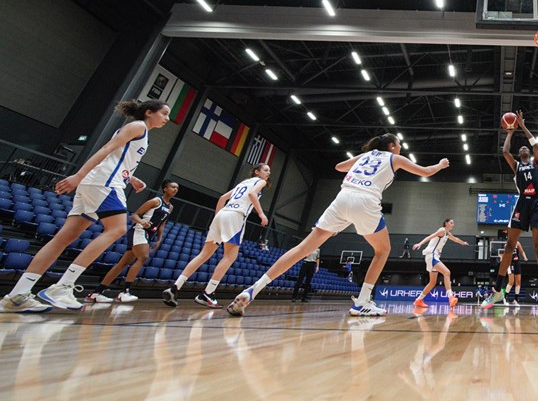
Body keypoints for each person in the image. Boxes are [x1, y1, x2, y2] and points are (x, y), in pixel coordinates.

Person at [226, 133, 449, 317]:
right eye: (399, 144)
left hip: (342, 198)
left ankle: (252, 290)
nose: (400, 148)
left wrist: (360, 162)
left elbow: (339, 166)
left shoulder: (366, 155)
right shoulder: (394, 158)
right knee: (383, 250)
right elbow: (426, 171)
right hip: (366, 200)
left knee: (302, 248)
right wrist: (440, 164)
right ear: (392, 146)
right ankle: (362, 302)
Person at [1, 99, 170, 313]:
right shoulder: (138, 127)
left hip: (98, 181)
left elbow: (117, 158)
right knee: (117, 229)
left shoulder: (141, 133)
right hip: (104, 182)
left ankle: (17, 295)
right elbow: (106, 149)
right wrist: (78, 175)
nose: (167, 118)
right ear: (149, 112)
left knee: (64, 238)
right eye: (164, 113)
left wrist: (131, 178)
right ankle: (63, 286)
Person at [162, 164, 270, 308]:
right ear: (256, 172)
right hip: (236, 216)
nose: (268, 173)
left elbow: (222, 198)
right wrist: (261, 214)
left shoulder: (244, 182)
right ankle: (208, 293)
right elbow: (252, 194)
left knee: (203, 254)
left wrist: (218, 217)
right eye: (266, 170)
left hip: (222, 214)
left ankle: (175, 287)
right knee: (230, 256)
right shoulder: (260, 182)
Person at [482, 111, 538, 316]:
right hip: (521, 203)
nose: (523, 148)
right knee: (509, 246)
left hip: (537, 203)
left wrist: (522, 126)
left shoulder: (536, 163)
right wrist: (510, 132)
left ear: (529, 154)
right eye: (521, 148)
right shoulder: (516, 167)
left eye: (526, 148)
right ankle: (497, 291)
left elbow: (536, 146)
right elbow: (505, 152)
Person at [86, 180, 179, 303]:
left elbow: (162, 223)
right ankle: (124, 292)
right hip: (139, 230)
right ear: (165, 189)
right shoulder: (155, 201)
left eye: (177, 188)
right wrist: (142, 222)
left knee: (122, 263)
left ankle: (96, 293)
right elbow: (135, 215)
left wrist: (159, 239)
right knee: (143, 257)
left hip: (149, 235)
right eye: (173, 187)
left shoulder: (170, 207)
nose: (175, 189)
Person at [412, 218, 470, 309]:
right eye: (451, 222)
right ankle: (450, 297)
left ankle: (418, 300)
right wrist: (420, 243)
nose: (453, 224)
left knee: (432, 282)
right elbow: (430, 236)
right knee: (447, 272)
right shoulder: (442, 230)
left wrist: (463, 243)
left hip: (433, 257)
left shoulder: (447, 233)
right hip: (431, 255)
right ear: (446, 223)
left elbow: (455, 239)